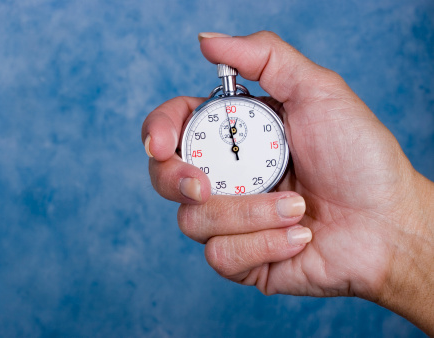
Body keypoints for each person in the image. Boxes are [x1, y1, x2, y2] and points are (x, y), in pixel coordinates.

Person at [141, 31, 434, 335]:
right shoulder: (201, 128)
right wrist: (400, 242)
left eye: (236, 145)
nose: (235, 147)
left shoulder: (274, 128)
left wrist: (397, 226)